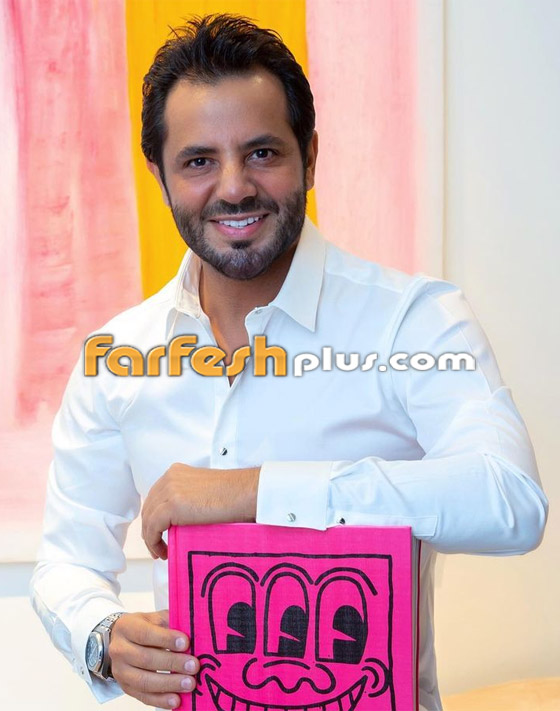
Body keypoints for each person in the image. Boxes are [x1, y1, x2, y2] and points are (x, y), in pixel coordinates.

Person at [30, 13, 548, 711]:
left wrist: (256, 490)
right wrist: (102, 635)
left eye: (263, 152)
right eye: (199, 161)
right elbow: (67, 558)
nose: (234, 187)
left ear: (310, 153)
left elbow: (509, 500)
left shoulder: (413, 320)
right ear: (160, 175)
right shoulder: (117, 357)